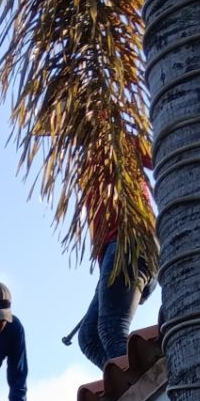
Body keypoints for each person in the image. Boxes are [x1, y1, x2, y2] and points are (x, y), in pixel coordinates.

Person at [76, 154, 156, 369]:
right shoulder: (86, 157)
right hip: (115, 252)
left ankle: (141, 385)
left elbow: (158, 154)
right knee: (89, 336)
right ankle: (128, 377)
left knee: (111, 329)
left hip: (128, 241)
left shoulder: (117, 137)